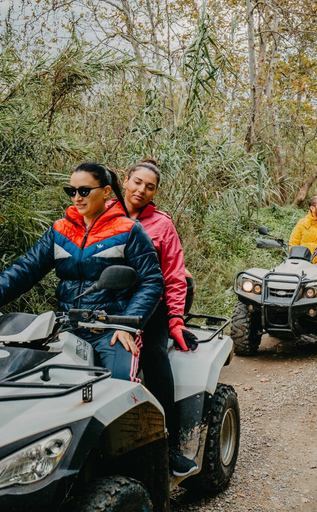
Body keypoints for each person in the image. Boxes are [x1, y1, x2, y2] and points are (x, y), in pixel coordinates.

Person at [0, 163, 164, 383]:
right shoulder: (60, 230)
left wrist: (127, 325)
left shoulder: (129, 230)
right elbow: (26, 269)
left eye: (84, 191)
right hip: (67, 326)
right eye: (71, 191)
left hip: (111, 329)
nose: (77, 198)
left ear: (106, 191)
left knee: (120, 385)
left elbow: (151, 281)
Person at [119, 158, 200, 476]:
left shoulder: (162, 224)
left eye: (149, 186)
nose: (141, 190)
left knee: (154, 358)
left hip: (150, 309)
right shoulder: (104, 214)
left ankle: (169, 447)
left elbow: (175, 277)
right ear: (125, 180)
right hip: (108, 307)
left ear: (155, 192)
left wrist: (175, 320)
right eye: (137, 182)